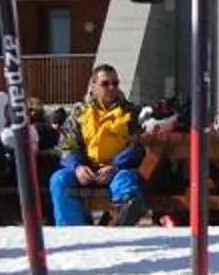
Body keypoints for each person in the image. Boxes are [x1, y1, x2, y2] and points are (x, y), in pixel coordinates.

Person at [50, 65, 147, 227]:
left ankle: (125, 213)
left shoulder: (132, 113)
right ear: (93, 86)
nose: (111, 87)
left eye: (115, 83)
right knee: (59, 179)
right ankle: (72, 229)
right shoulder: (80, 113)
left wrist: (115, 165)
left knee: (126, 180)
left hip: (118, 170)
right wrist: (77, 166)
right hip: (87, 169)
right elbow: (66, 144)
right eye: (105, 83)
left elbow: (138, 145)